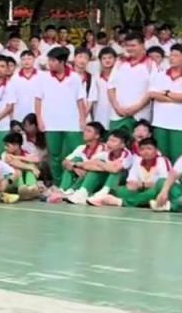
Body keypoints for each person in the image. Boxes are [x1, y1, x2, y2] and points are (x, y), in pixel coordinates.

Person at [35, 47, 89, 184]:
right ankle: (58, 184)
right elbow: (38, 99)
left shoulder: (75, 77)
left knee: (77, 153)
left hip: (72, 122)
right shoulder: (43, 78)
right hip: (51, 123)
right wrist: (39, 119)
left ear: (62, 62)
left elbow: (80, 100)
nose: (50, 64)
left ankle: (77, 183)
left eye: (53, 61)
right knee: (55, 155)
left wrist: (83, 119)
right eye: (49, 61)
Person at [95, 137, 169, 209]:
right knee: (119, 190)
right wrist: (133, 186)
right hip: (140, 190)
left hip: (159, 190)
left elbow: (164, 183)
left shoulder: (162, 161)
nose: (145, 152)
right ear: (139, 151)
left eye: (149, 149)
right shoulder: (137, 160)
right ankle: (144, 202)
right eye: (142, 149)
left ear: (156, 150)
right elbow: (131, 181)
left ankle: (122, 202)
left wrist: (142, 185)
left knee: (154, 192)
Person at [107, 30, 153, 130]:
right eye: (127, 45)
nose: (130, 48)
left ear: (142, 45)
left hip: (140, 117)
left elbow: (153, 91)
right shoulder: (120, 63)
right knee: (115, 144)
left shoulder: (151, 64)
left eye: (133, 45)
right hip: (117, 115)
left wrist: (136, 108)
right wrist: (116, 107)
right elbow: (110, 87)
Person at [148, 43, 182, 162]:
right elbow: (152, 94)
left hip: (179, 124)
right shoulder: (160, 75)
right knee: (161, 157)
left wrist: (166, 93)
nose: (172, 58)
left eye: (176, 55)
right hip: (160, 122)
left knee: (178, 157)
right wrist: (174, 97)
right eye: (171, 55)